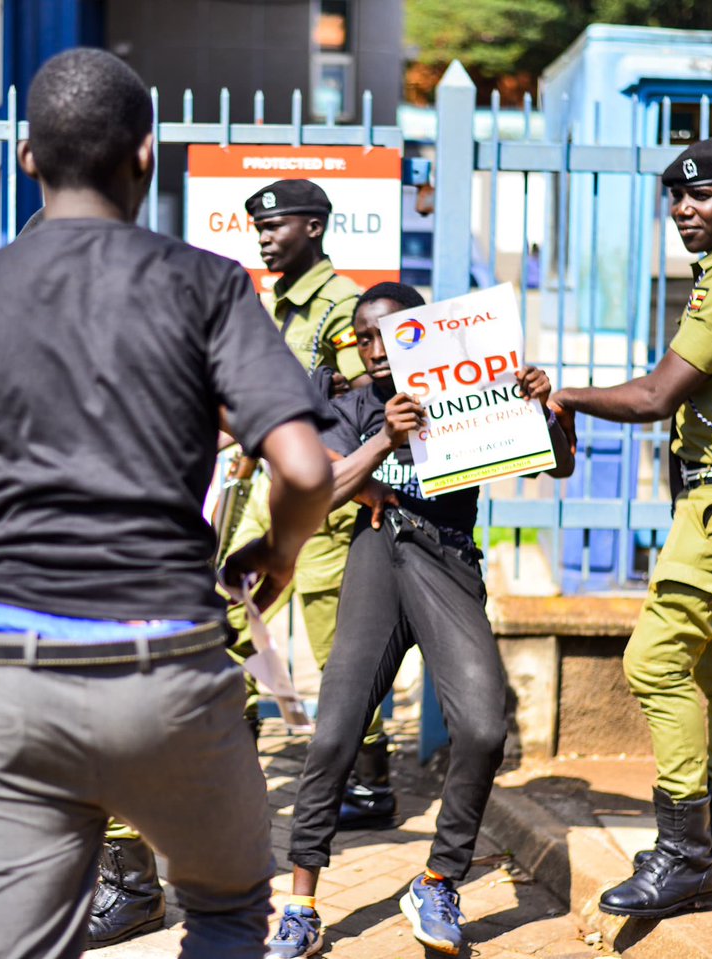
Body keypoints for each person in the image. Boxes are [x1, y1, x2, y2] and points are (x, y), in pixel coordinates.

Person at [0, 47, 334, 959]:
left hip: (14, 681)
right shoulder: (208, 287)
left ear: (28, 159)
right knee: (222, 906)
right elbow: (305, 468)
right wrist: (275, 558)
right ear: (146, 156)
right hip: (169, 673)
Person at [266, 282, 575, 958]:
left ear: (420, 333)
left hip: (447, 560)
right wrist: (385, 439)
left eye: (388, 333)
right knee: (336, 733)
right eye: (362, 337)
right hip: (377, 556)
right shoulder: (349, 406)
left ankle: (438, 879)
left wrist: (544, 409)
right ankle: (302, 904)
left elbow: (559, 463)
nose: (375, 349)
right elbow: (321, 490)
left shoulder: (477, 386)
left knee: (485, 725)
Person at [548, 136, 712, 919]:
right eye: (676, 198)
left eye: (702, 196)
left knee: (656, 659)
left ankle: (686, 856)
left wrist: (564, 393)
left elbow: (658, 395)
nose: (684, 210)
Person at [226, 179, 394, 822]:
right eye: (259, 229)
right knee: (231, 626)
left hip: (324, 506)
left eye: (277, 227)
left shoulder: (341, 306)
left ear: (315, 228)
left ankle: (370, 783)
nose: (265, 238)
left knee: (336, 651)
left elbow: (365, 406)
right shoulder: (280, 307)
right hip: (264, 497)